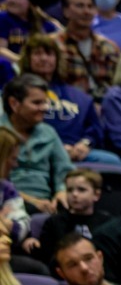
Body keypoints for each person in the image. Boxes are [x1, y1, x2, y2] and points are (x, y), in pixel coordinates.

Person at [2, 74, 66, 213]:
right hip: (7, 203)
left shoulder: (48, 132)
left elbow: (64, 169)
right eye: (37, 103)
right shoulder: (2, 134)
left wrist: (62, 191)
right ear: (14, 103)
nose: (44, 108)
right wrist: (30, 201)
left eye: (45, 102)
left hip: (47, 204)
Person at [56, 0, 120, 99]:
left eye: (90, 7)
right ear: (66, 11)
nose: (86, 11)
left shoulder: (109, 47)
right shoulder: (53, 45)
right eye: (80, 6)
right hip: (67, 105)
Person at [36, 167, 114, 254]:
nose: (74, 194)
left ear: (96, 195)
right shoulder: (54, 223)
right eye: (69, 190)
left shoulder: (107, 224)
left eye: (81, 190)